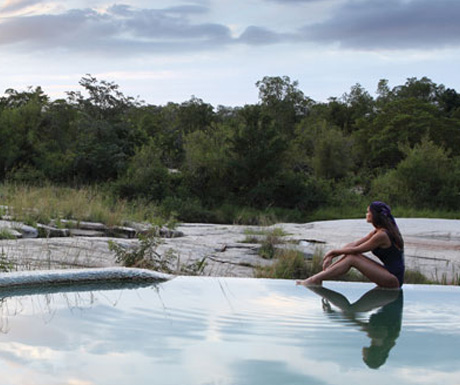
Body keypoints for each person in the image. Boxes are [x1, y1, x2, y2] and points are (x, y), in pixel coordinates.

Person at [297, 201, 404, 288]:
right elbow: (354, 244)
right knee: (351, 256)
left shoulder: (382, 235)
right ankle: (317, 278)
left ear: (375, 215)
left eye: (368, 212)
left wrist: (332, 252)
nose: (366, 214)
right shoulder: (378, 232)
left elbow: (356, 250)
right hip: (388, 274)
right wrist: (333, 256)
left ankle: (315, 279)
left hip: (393, 279)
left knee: (352, 258)